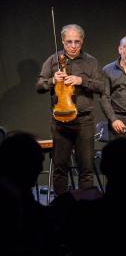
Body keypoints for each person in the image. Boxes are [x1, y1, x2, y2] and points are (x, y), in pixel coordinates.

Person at [36, 24, 104, 196]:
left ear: (82, 41)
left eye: (77, 42)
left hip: (84, 121)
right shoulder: (53, 61)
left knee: (86, 168)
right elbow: (39, 85)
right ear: (62, 41)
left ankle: (85, 207)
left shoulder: (91, 61)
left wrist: (81, 81)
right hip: (60, 121)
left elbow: (101, 86)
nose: (73, 46)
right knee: (60, 168)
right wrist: (52, 80)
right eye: (69, 42)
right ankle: (62, 206)